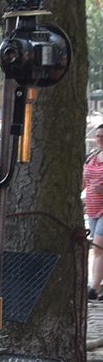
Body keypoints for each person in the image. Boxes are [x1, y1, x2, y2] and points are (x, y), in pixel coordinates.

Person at [84, 124, 103, 300]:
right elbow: (84, 179)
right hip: (92, 207)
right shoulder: (92, 157)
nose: (99, 140)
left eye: (102, 137)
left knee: (98, 247)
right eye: (97, 136)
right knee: (99, 248)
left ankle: (93, 287)